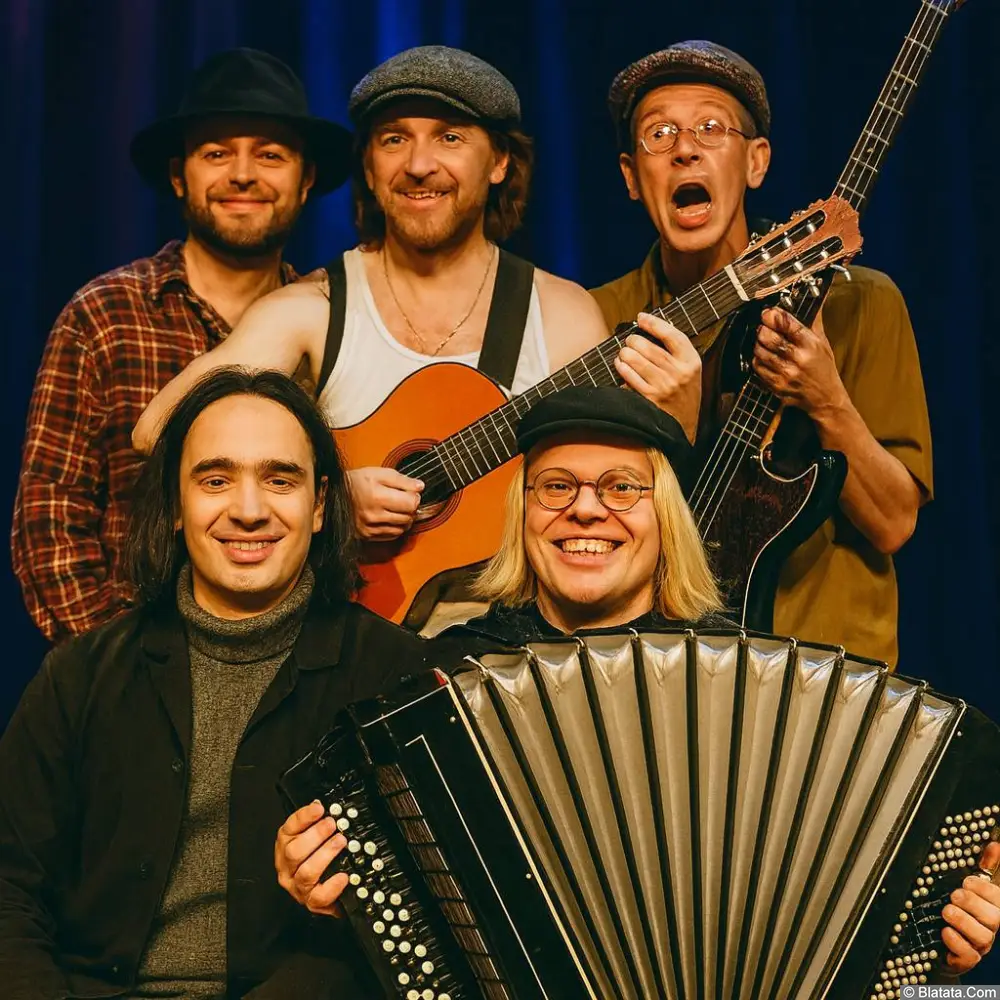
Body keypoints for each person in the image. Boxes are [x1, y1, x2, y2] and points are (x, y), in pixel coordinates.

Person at [273, 385, 997, 979]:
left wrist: (943, 963)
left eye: (623, 487)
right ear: (522, 513)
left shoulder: (751, 684)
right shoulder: (441, 684)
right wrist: (333, 885)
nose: (586, 508)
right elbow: (389, 897)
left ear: (667, 518)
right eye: (556, 486)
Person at [0, 369, 426, 999]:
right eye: (216, 480)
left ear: (318, 506)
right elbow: (10, 888)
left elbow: (434, 921)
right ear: (175, 505)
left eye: (279, 479)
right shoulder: (80, 675)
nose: (248, 511)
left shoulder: (397, 680)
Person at [133, 46, 643, 550]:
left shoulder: (561, 315)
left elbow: (616, 495)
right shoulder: (312, 309)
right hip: (357, 604)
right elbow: (155, 429)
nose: (418, 165)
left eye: (449, 137)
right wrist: (327, 496)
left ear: (499, 162)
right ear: (369, 167)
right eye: (394, 139)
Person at [589, 41, 932, 665]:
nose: (685, 149)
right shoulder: (595, 319)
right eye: (659, 134)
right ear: (631, 177)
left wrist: (827, 401)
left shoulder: (862, 303)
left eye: (711, 128)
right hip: (656, 669)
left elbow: (893, 524)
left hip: (822, 674)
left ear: (755, 162)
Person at [11, 48, 351, 642]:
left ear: (306, 181)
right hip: (131, 654)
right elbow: (50, 520)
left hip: (298, 665)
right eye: (216, 153)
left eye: (270, 155)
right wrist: (113, 667)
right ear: (178, 176)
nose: (242, 174)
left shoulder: (335, 325)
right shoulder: (104, 316)